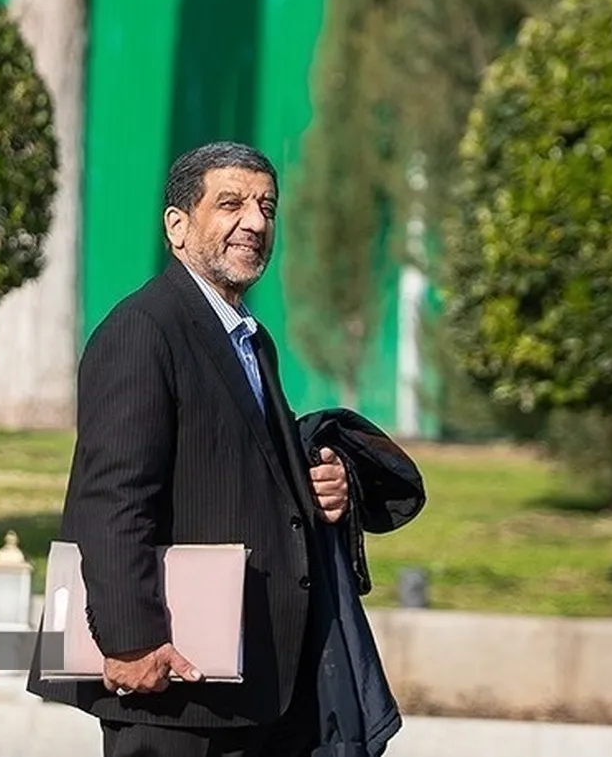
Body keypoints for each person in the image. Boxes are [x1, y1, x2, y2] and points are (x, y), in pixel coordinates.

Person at [26, 141, 422, 757]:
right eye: (231, 204)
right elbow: (113, 500)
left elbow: (246, 465)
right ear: (178, 227)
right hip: (171, 684)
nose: (255, 222)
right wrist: (131, 640)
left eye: (267, 207)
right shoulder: (143, 330)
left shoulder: (249, 341)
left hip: (253, 681)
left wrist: (324, 479)